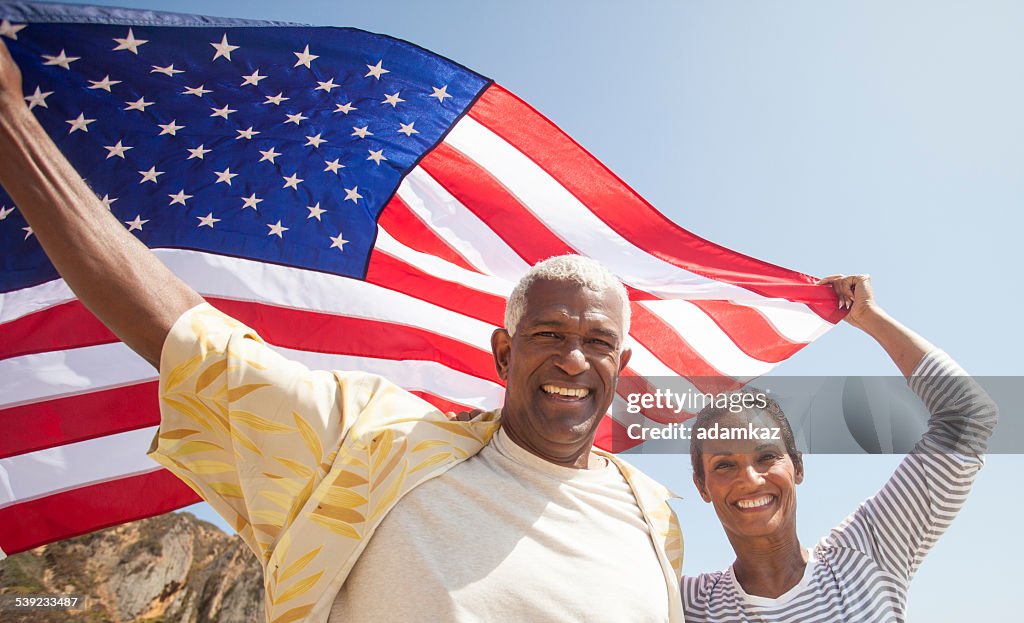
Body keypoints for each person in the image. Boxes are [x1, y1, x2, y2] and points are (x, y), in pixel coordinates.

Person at [0, 40, 683, 623]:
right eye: (548, 334)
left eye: (597, 342)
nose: (572, 358)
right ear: (503, 352)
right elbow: (185, 334)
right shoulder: (373, 446)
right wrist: (14, 128)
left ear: (620, 365)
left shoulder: (654, 517)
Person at [681, 274, 998, 623]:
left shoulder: (868, 554)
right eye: (725, 465)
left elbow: (969, 414)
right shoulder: (685, 604)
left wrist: (868, 317)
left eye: (767, 456)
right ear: (702, 485)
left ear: (797, 466)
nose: (751, 478)